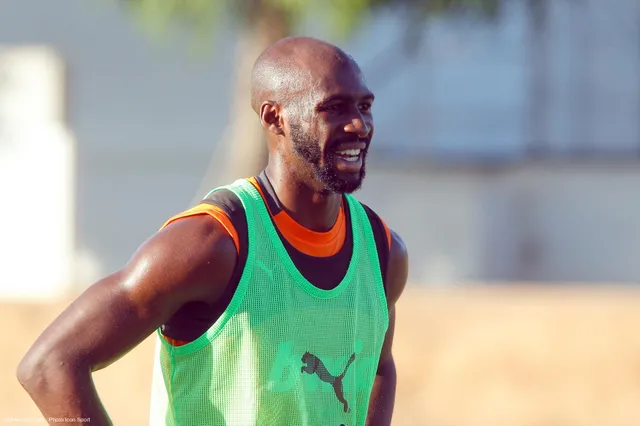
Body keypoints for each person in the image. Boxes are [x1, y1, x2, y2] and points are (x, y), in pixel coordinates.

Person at [17, 36, 409, 426]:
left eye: (364, 106)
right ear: (275, 118)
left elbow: (378, 366)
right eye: (334, 108)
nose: (359, 124)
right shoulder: (211, 244)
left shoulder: (382, 250)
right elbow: (49, 365)